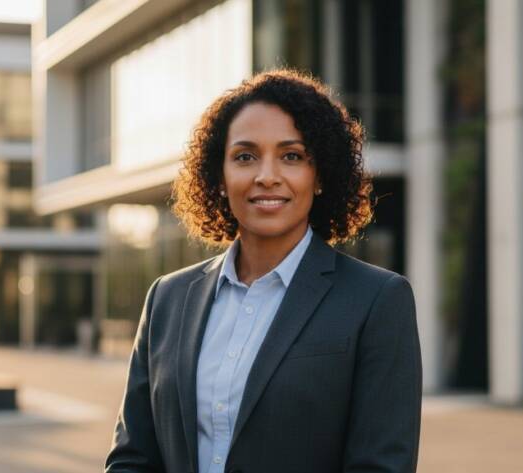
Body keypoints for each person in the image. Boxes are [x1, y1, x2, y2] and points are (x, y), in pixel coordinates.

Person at [105, 69, 422, 473]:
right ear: (219, 177)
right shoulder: (167, 297)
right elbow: (132, 459)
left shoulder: (377, 300)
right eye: (245, 156)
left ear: (319, 175)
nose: (266, 176)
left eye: (292, 156)